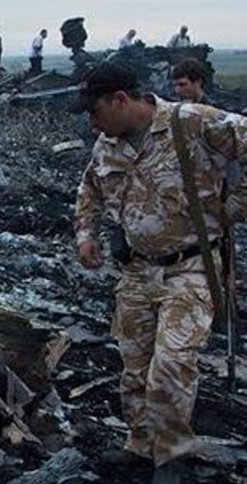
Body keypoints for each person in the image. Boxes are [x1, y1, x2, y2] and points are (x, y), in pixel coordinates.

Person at [70, 62, 247, 484]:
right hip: (136, 271)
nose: (91, 121)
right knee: (134, 364)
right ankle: (141, 444)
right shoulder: (106, 144)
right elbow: (89, 190)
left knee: (171, 363)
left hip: (191, 267)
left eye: (94, 111)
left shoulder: (191, 121)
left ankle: (172, 457)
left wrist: (238, 203)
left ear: (120, 100)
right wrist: (85, 235)